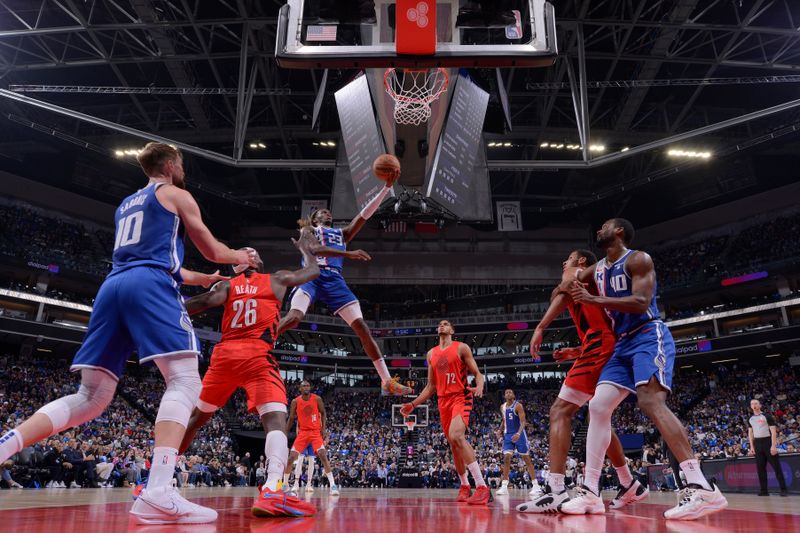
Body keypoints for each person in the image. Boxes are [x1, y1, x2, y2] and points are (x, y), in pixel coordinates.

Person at [0, 142, 255, 524]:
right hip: (149, 285)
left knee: (91, 396)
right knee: (185, 381)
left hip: (114, 286)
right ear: (170, 164)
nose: (183, 169)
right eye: (181, 163)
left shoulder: (127, 203)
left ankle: (6, 444)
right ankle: (158, 489)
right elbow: (209, 246)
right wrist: (240, 256)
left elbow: (154, 256)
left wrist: (197, 277)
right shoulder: (175, 193)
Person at [560, 218, 727, 520]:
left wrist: (592, 297)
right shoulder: (598, 269)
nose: (598, 230)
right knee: (598, 406)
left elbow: (640, 302)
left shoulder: (638, 259)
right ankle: (590, 493)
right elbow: (568, 285)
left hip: (648, 336)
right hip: (622, 344)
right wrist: (571, 272)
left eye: (605, 226)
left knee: (650, 401)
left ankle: (702, 487)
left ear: (620, 231)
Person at [178, 241, 320, 517]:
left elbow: (202, 302)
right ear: (255, 262)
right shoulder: (277, 279)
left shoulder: (227, 286)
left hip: (225, 355)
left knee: (197, 418)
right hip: (256, 354)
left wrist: (167, 310)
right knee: (275, 420)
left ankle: (155, 477)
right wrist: (306, 250)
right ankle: (272, 489)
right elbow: (312, 272)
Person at [518, 250, 646, 514]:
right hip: (601, 345)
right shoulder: (591, 282)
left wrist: (541, 326)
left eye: (568, 258)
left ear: (581, 262)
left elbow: (565, 291)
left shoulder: (577, 273)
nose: (564, 262)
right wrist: (576, 351)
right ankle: (628, 482)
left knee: (560, 411)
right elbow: (598, 323)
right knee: (599, 417)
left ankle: (555, 489)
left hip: (600, 346)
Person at [276, 172, 412, 397]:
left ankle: (387, 380)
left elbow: (364, 215)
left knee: (362, 328)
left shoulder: (341, 233)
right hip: (311, 275)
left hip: (334, 280)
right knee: (294, 318)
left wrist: (385, 189)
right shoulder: (307, 230)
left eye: (329, 212)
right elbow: (316, 250)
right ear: (315, 217)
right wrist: (348, 253)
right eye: (323, 211)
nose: (327, 212)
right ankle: (261, 341)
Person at [401, 320, 492, 505]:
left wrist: (480, 383)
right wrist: (413, 404)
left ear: (452, 330)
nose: (442, 325)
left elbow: (477, 373)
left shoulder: (461, 348)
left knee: (457, 435)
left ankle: (482, 487)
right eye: (440, 324)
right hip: (443, 401)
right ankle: (465, 485)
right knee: (453, 445)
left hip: (461, 396)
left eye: (446, 323)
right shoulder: (431, 354)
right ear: (438, 330)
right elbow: (430, 386)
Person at [282, 381, 340, 495]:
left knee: (323, 455)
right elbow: (291, 418)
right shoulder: (295, 401)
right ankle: (285, 485)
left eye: (308, 385)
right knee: (291, 458)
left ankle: (333, 485)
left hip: (315, 432)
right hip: (303, 433)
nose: (306, 387)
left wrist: (323, 429)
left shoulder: (317, 399)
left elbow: (323, 413)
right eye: (303, 386)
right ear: (300, 389)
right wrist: (284, 433)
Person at [495, 389, 539, 498]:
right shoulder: (502, 407)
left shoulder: (518, 406)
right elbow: (504, 420)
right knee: (506, 459)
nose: (509, 393)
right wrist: (500, 430)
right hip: (508, 435)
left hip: (519, 435)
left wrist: (519, 433)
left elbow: (523, 421)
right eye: (506, 392)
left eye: (510, 392)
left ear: (513, 395)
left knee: (526, 459)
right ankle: (504, 486)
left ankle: (536, 486)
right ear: (504, 396)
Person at [748, 399, 788, 496]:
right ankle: (764, 491)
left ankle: (783, 490)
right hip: (757, 444)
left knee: (776, 467)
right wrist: (751, 447)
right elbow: (750, 433)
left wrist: (773, 446)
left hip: (767, 442)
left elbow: (773, 432)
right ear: (750, 406)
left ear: (760, 405)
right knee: (760, 469)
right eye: (752, 404)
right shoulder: (750, 418)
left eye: (756, 403)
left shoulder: (767, 416)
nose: (754, 405)